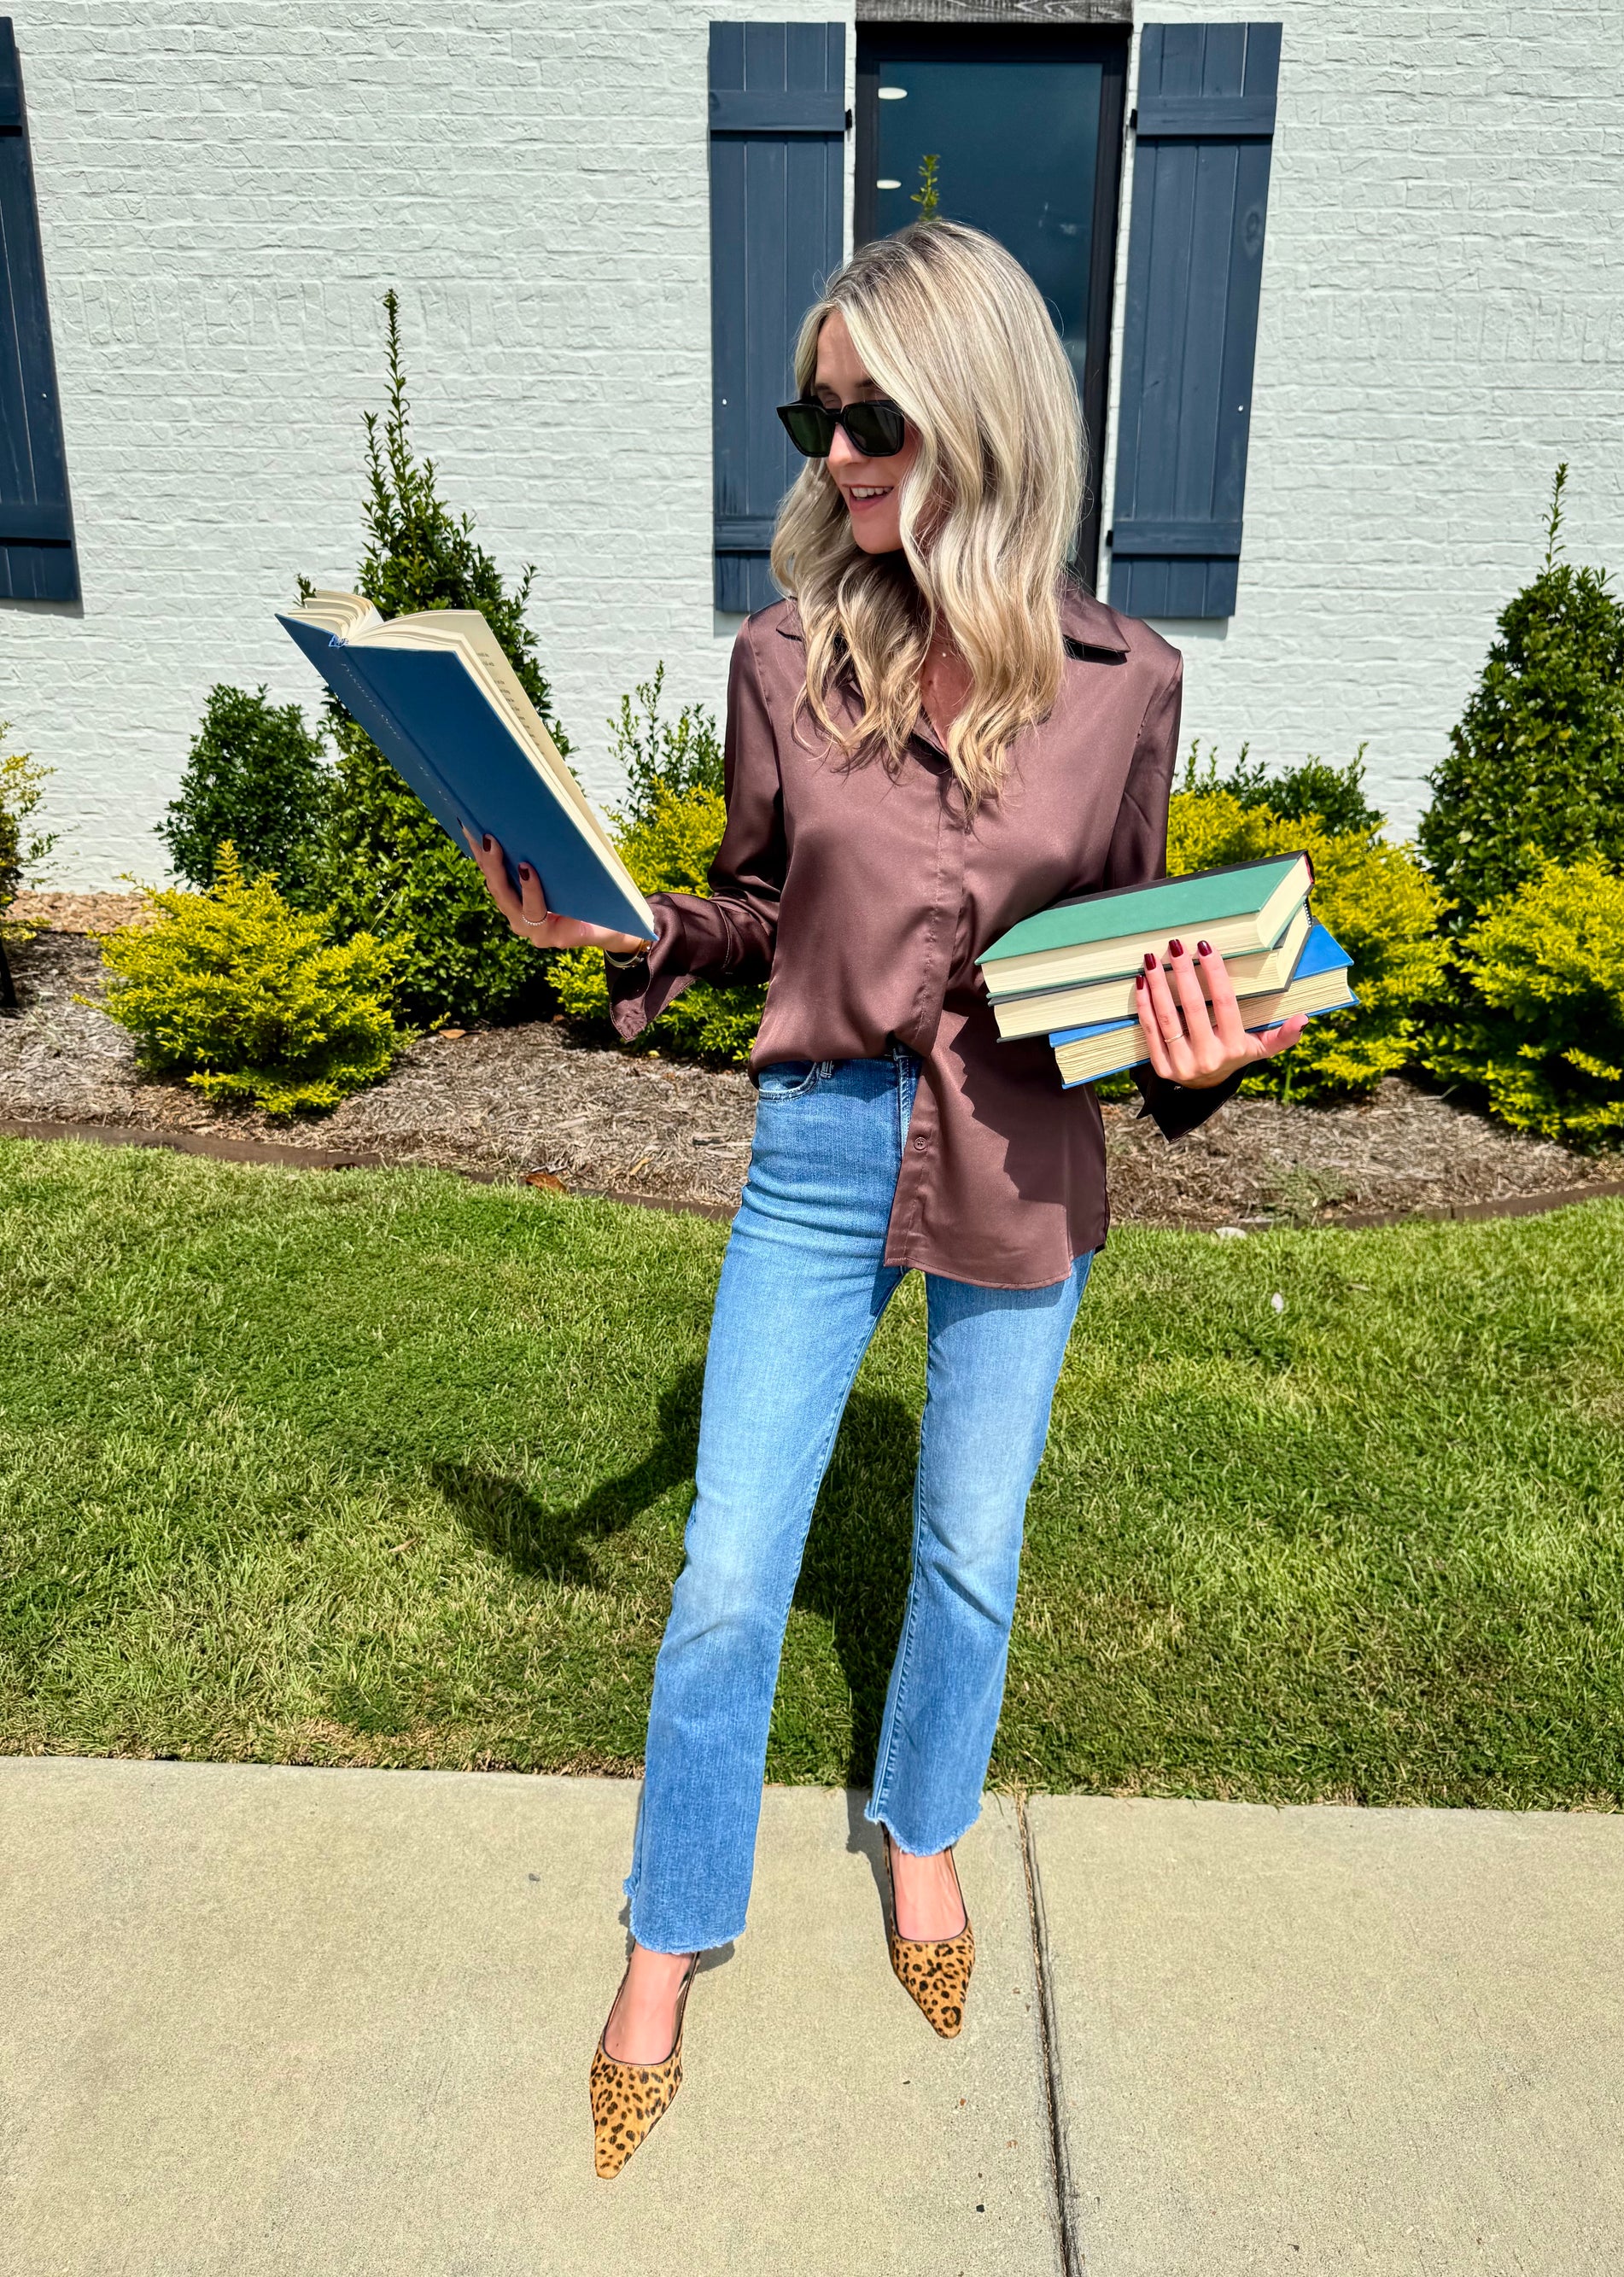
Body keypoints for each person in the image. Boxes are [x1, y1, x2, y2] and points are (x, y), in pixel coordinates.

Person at [468, 219, 1307, 2181]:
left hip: (1024, 1145)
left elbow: (1124, 963)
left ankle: (920, 1821)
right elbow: (766, 901)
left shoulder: (1125, 685)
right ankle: (673, 1926)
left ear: (980, 412)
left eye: (870, 412)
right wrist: (628, 921)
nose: (836, 452)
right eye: (815, 413)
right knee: (729, 1574)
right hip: (822, 1144)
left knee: (966, 1551)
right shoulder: (784, 656)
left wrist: (1187, 1055)